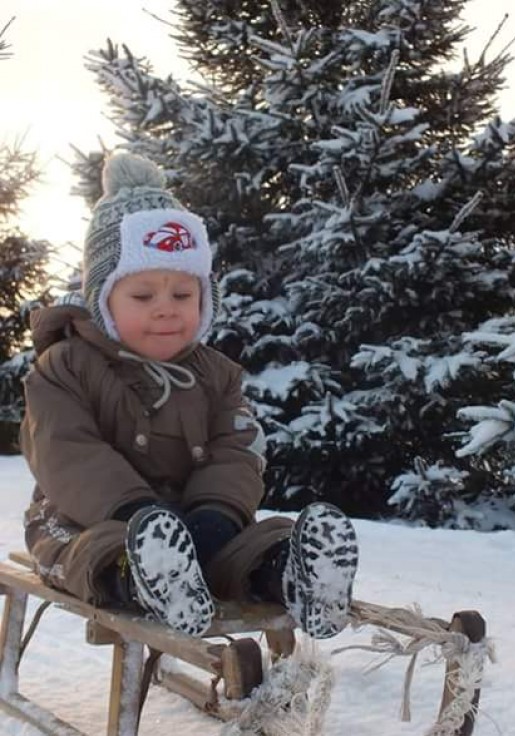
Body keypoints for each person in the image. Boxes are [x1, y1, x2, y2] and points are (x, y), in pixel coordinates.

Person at [20, 152, 358, 639]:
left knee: (247, 541)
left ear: (205, 300)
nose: (165, 310)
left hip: (194, 516)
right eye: (142, 296)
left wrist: (216, 515)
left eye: (183, 295)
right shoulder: (64, 366)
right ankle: (140, 580)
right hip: (86, 516)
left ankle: (290, 571)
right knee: (92, 549)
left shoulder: (216, 375)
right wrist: (138, 513)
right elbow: (66, 454)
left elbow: (236, 451)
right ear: (103, 301)